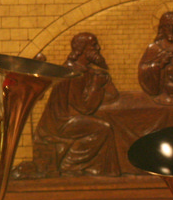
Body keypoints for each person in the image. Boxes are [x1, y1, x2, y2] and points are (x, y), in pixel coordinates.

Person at [24, 32, 120, 177]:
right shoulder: (73, 72)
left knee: (108, 122)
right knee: (103, 128)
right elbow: (84, 108)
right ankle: (70, 165)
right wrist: (96, 86)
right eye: (94, 46)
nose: (99, 48)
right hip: (60, 123)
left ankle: (103, 169)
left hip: (70, 119)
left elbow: (112, 96)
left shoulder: (87, 71)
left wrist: (105, 83)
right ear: (82, 50)